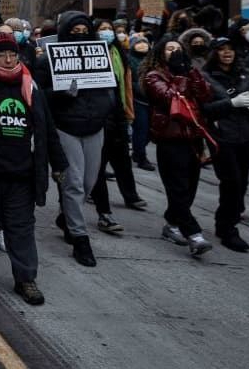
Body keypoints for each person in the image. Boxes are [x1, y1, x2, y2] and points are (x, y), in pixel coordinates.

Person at [0, 33, 67, 305]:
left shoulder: (29, 86)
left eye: (12, 54)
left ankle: (25, 279)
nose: (9, 59)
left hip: (21, 173)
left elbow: (46, 127)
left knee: (21, 227)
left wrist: (58, 162)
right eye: (2, 54)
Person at [34, 12, 118, 267]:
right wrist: (61, 93)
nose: (79, 34)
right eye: (75, 30)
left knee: (89, 181)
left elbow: (110, 89)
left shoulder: (100, 56)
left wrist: (110, 112)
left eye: (84, 30)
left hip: (95, 127)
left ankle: (67, 216)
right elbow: (39, 96)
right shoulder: (48, 59)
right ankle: (80, 239)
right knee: (73, 184)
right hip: (66, 127)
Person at [141, 36, 215, 256]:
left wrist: (190, 72)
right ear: (160, 53)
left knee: (190, 186)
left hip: (193, 136)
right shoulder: (154, 76)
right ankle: (194, 234)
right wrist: (180, 76)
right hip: (170, 137)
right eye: (169, 49)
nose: (174, 52)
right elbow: (172, 99)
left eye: (177, 49)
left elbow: (205, 94)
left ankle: (172, 224)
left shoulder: (189, 71)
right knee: (178, 188)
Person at [200, 37, 249, 251]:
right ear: (214, 53)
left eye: (231, 49)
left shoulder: (245, 73)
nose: (227, 53)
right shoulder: (205, 76)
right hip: (221, 135)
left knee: (242, 183)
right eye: (222, 50)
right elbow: (204, 108)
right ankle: (228, 229)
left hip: (244, 135)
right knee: (231, 182)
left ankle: (224, 221)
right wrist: (231, 103)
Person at [90, 20, 147, 236]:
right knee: (98, 164)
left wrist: (128, 112)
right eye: (102, 29)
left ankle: (130, 195)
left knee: (122, 158)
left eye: (109, 29)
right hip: (98, 117)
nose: (107, 33)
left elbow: (126, 84)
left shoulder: (119, 54)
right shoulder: (90, 52)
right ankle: (102, 209)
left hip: (119, 113)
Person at [127, 35, 156, 170]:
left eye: (145, 42)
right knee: (141, 129)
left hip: (152, 100)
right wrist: (140, 87)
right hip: (138, 100)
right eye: (139, 43)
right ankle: (141, 156)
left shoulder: (153, 60)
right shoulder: (128, 60)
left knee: (150, 131)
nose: (143, 45)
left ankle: (138, 151)